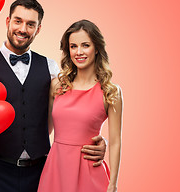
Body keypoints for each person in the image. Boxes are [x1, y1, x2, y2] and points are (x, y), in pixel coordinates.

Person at [0, 0, 107, 192]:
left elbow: (76, 111)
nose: (23, 29)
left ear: (38, 30)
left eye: (30, 24)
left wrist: (95, 140)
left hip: (42, 173)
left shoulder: (51, 68)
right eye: (18, 21)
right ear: (7, 22)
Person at [37, 19, 123, 192]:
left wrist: (113, 184)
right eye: (73, 46)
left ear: (97, 48)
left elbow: (115, 142)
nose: (79, 52)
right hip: (56, 170)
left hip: (90, 172)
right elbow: (44, 130)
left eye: (85, 45)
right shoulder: (57, 86)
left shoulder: (110, 92)